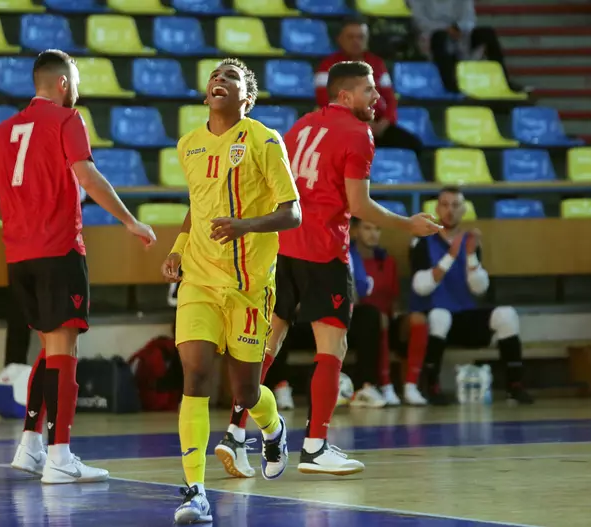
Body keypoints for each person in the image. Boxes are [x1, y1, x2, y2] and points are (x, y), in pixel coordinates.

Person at [214, 60, 441, 480]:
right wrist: (407, 223)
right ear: (345, 95)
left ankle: (234, 432)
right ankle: (315, 445)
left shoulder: (302, 125)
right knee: (332, 348)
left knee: (265, 346)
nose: (378, 97)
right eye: (369, 90)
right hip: (323, 250)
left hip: (282, 246)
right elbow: (359, 205)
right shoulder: (358, 133)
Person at [0, 49, 156, 485]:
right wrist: (130, 221)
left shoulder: (1, 131)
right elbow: (88, 176)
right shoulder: (67, 119)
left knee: (50, 349)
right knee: (65, 352)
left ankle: (30, 445)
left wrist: (23, 221)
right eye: (74, 81)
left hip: (19, 257)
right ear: (62, 83)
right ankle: (60, 455)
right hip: (58, 251)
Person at [161, 58, 301, 524]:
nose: (219, 80)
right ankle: (195, 491)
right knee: (196, 376)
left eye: (231, 77)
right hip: (199, 280)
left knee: (244, 390)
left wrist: (246, 225)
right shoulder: (188, 145)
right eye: (214, 76)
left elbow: (293, 212)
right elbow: (197, 206)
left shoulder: (264, 140)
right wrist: (178, 249)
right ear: (206, 93)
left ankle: (273, 427)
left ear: (248, 97)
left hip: (248, 285)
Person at [409, 187, 533, 406]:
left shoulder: (470, 241)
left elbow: (479, 289)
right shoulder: (422, 241)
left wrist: (470, 255)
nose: (450, 210)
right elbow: (421, 287)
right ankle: (432, 385)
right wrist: (451, 256)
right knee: (440, 316)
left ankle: (515, 386)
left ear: (464, 210)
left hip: (465, 316)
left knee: (507, 315)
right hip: (436, 320)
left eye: (455, 205)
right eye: (445, 205)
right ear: (437, 209)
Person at [315, 19, 422, 156]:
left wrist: (384, 123)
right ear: (340, 39)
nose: (356, 41)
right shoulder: (327, 66)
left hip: (377, 126)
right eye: (350, 37)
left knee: (414, 144)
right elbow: (324, 101)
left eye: (360, 37)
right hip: (343, 127)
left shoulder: (377, 64)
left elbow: (390, 99)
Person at [351, 218, 428, 407]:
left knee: (418, 319)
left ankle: (411, 386)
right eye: (367, 228)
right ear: (355, 231)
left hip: (388, 320)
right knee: (378, 318)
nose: (373, 234)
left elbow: (394, 300)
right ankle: (386, 386)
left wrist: (400, 319)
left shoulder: (388, 261)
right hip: (361, 325)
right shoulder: (349, 260)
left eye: (377, 229)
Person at [408, 0, 526, 93]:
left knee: (487, 33)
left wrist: (458, 28)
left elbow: (469, 19)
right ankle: (450, 85)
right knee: (440, 37)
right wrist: (446, 29)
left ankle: (504, 80)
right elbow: (419, 21)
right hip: (431, 36)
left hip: (461, 36)